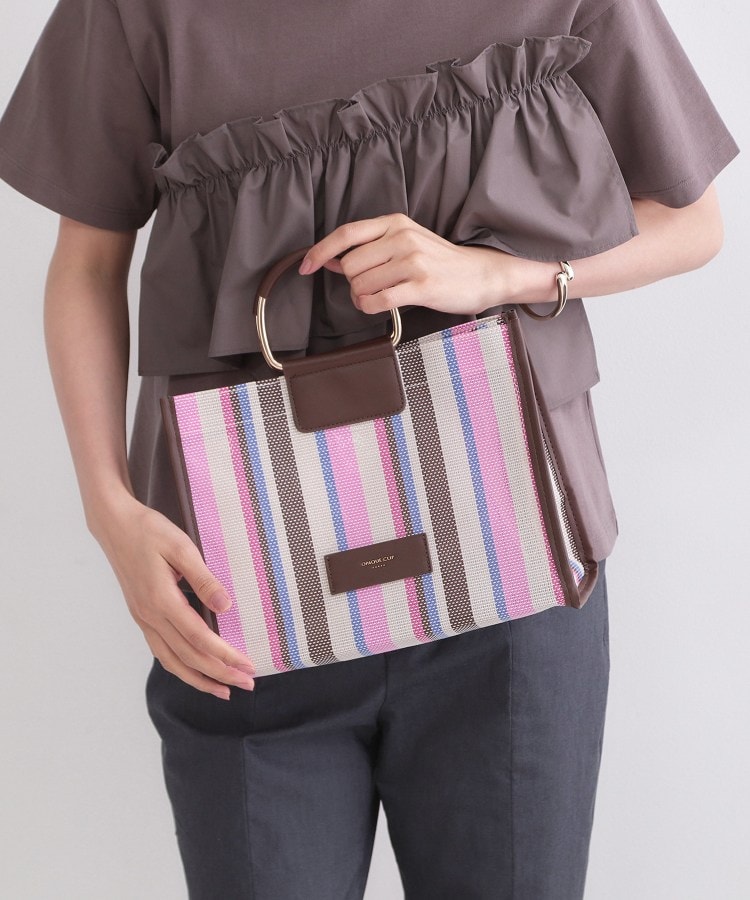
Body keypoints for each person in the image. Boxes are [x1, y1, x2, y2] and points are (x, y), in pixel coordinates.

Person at [0, 0, 739, 897]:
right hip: (245, 598)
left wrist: (502, 275)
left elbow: (691, 220)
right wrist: (107, 508)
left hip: (511, 579)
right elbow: (86, 262)